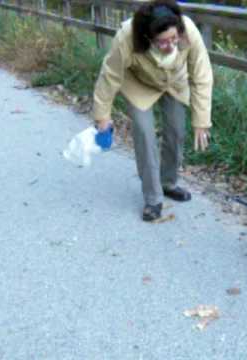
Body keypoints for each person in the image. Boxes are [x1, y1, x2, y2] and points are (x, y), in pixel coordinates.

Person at [92, 0, 213, 222]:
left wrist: (201, 120)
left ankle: (168, 182)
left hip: (174, 82)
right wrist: (102, 116)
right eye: (163, 42)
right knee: (144, 133)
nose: (171, 45)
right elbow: (109, 76)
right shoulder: (127, 37)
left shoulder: (188, 31)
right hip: (139, 83)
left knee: (176, 131)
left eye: (174, 39)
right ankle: (153, 197)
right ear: (148, 37)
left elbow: (202, 75)